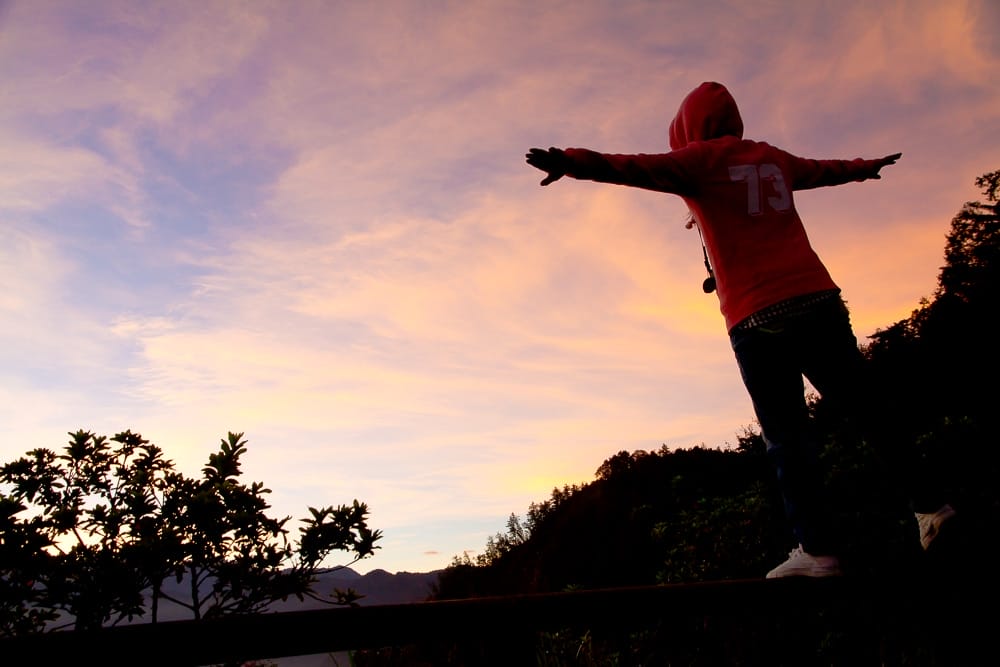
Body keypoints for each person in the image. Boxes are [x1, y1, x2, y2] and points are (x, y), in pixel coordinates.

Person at [525, 81, 955, 578]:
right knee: (865, 408)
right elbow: (823, 171)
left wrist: (569, 160)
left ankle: (819, 551)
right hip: (819, 298)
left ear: (690, 127)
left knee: (788, 439)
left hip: (757, 316)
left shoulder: (698, 162)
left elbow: (630, 166)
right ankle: (932, 509)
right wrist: (865, 169)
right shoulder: (770, 158)